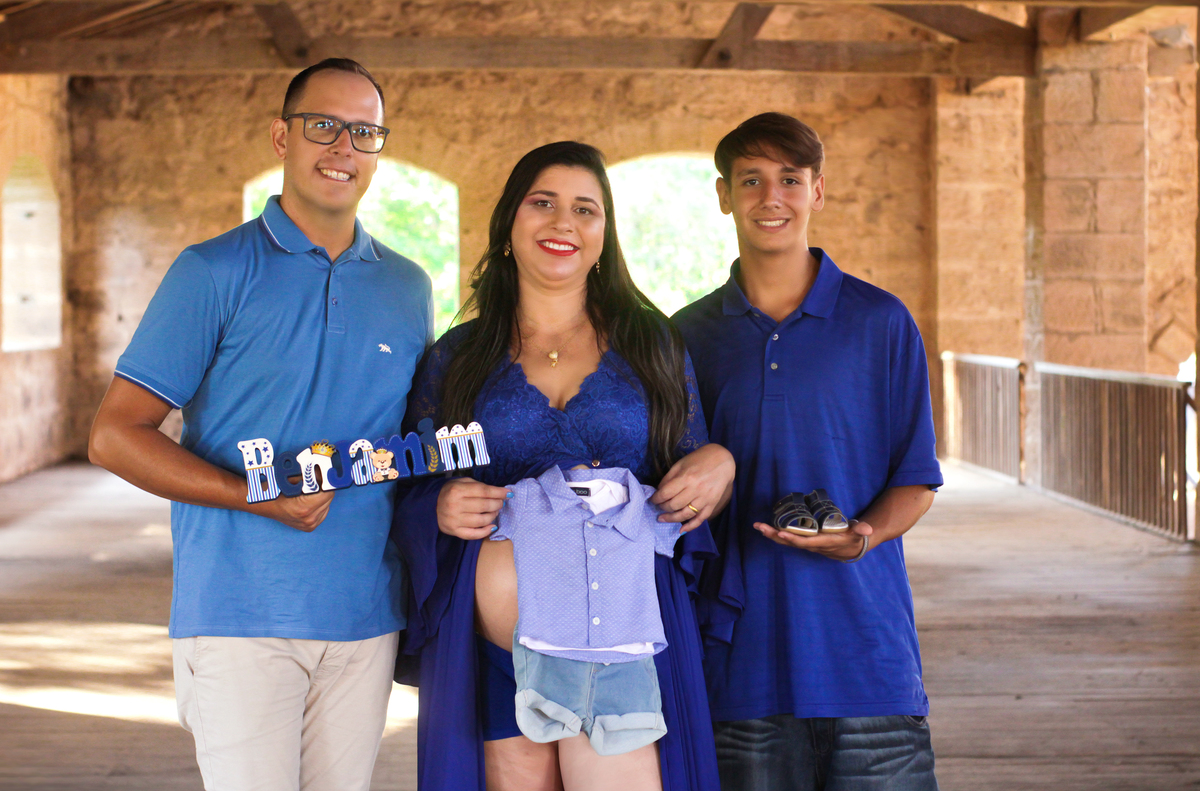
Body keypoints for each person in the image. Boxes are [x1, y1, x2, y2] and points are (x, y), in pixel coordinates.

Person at [88, 58, 433, 791]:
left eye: (364, 132)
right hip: (238, 611)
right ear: (282, 136)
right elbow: (114, 435)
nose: (343, 147)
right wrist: (255, 492)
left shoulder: (409, 286)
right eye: (323, 126)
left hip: (367, 612)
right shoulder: (211, 271)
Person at [391, 141, 733, 791]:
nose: (563, 223)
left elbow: (691, 468)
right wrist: (436, 504)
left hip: (619, 642)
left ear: (604, 235)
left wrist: (720, 463)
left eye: (585, 209)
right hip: (494, 649)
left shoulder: (651, 344)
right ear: (509, 222)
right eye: (542, 202)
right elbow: (409, 483)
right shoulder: (458, 358)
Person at [673, 112, 944, 790]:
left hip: (866, 656)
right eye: (752, 180)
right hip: (737, 664)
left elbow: (916, 479)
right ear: (722, 195)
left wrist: (864, 534)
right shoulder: (686, 336)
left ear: (817, 191)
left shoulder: (881, 321)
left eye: (790, 180)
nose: (772, 197)